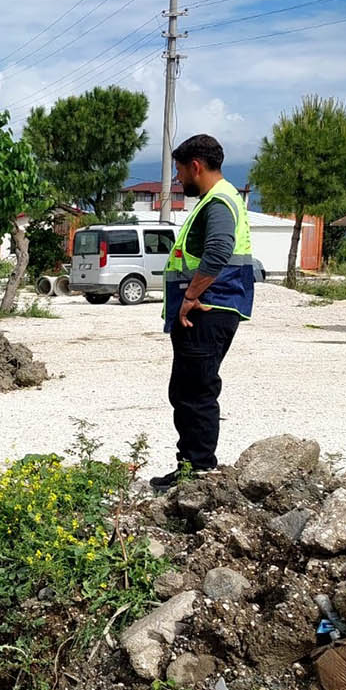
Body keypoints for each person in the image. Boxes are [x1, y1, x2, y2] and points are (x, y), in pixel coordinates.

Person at [150, 134, 256, 493]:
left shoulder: (218, 202)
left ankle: (198, 471)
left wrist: (191, 295)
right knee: (186, 389)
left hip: (208, 309)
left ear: (195, 166)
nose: (179, 180)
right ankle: (189, 468)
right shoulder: (220, 199)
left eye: (180, 172)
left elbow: (218, 251)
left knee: (196, 391)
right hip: (212, 308)